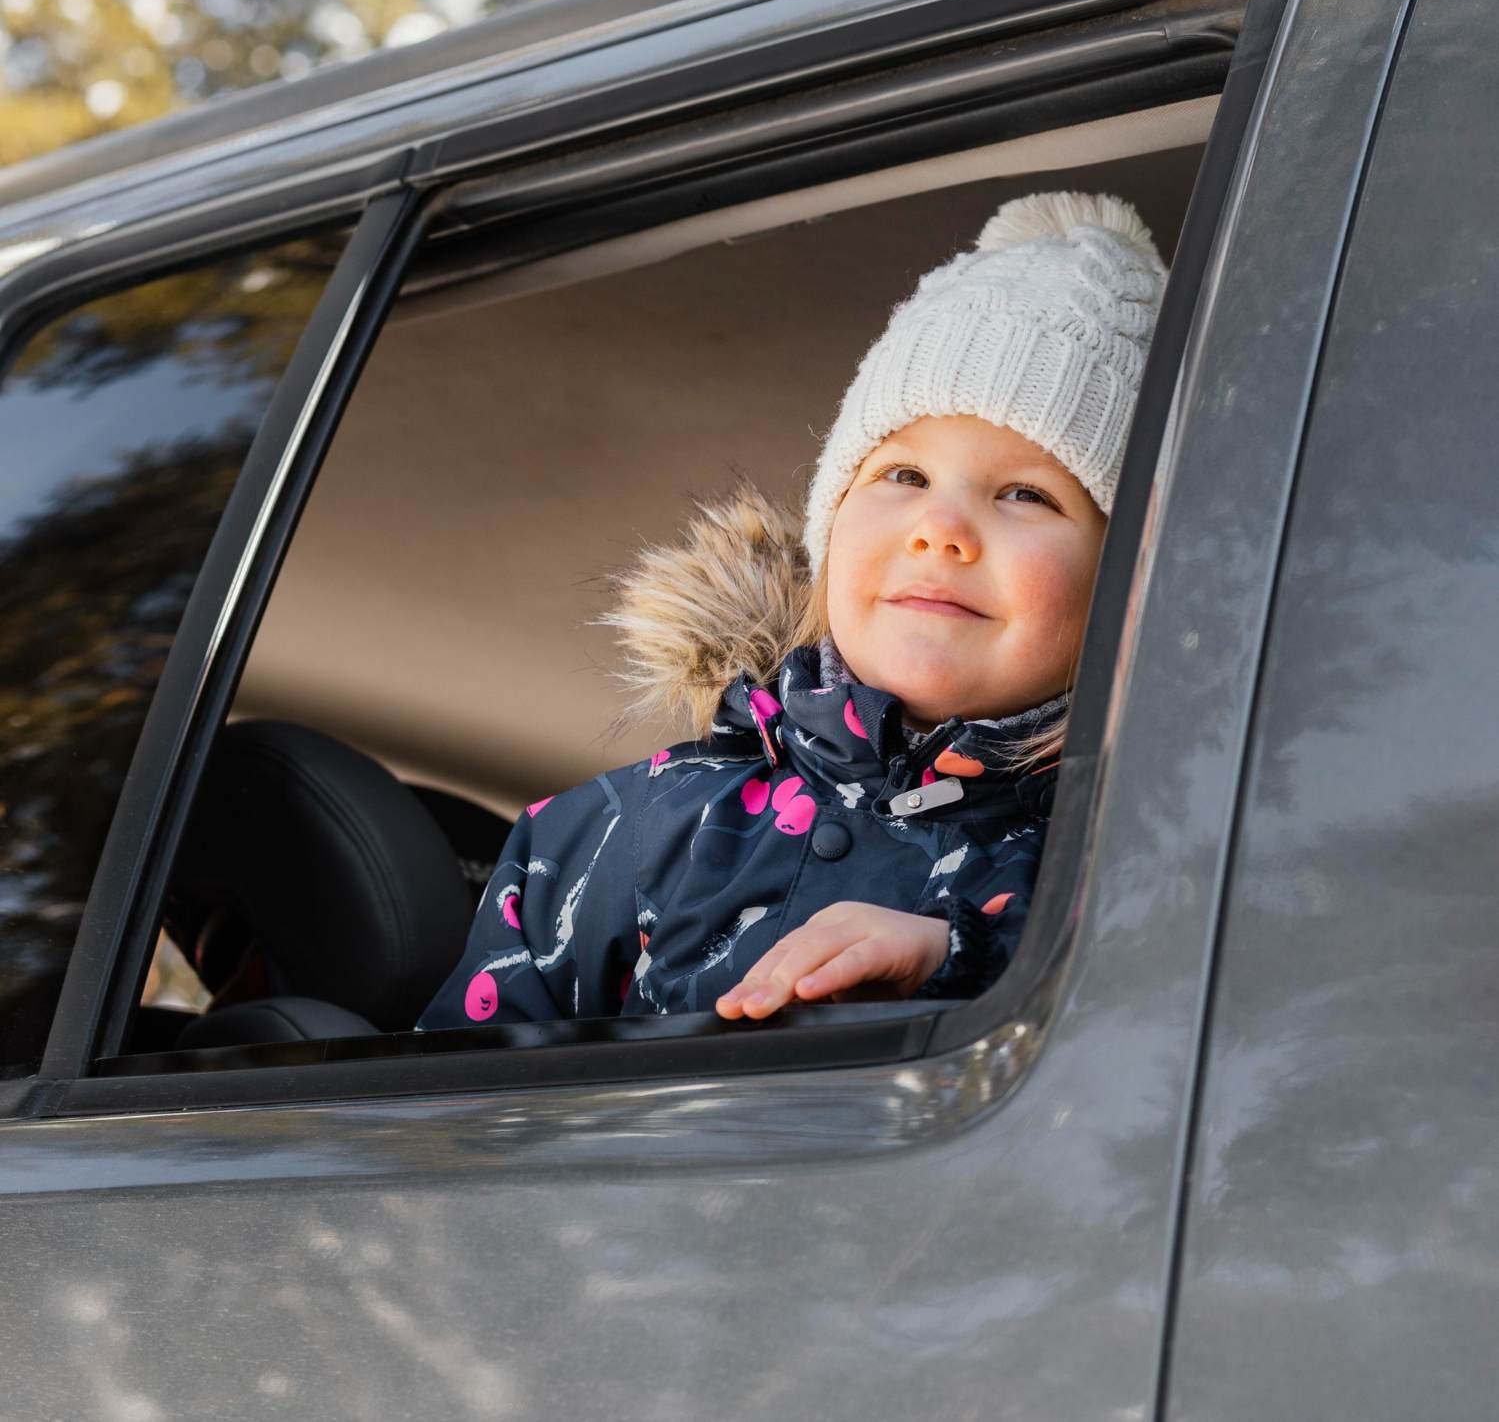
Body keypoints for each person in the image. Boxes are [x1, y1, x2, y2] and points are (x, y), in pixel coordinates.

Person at [416, 189, 1167, 1031]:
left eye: (1027, 494)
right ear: (833, 519)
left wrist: (969, 964)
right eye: (905, 476)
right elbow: (461, 1132)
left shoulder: (1153, 858)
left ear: (1130, 578)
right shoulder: (616, 836)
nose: (941, 532)